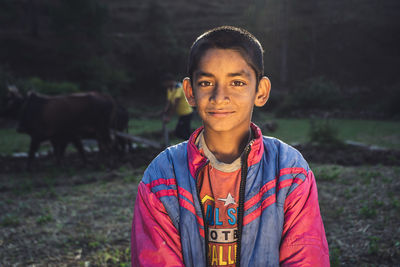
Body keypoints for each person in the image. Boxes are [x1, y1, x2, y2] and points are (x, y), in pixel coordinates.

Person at [131, 26, 329, 266]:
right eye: (206, 82)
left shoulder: (289, 170)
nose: (219, 96)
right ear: (189, 92)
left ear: (261, 91)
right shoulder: (162, 176)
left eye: (236, 82)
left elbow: (306, 257)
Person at [162, 74, 193, 140]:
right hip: (182, 114)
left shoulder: (179, 87)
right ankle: (192, 146)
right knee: (185, 132)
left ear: (169, 81)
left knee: (180, 132)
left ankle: (191, 146)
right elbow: (169, 102)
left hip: (186, 113)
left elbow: (175, 104)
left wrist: (169, 117)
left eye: (165, 83)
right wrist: (165, 111)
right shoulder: (170, 89)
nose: (164, 85)